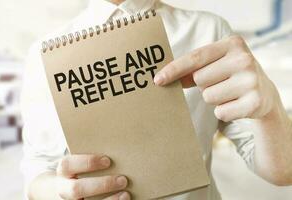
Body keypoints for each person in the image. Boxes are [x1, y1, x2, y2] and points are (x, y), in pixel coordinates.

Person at [21, 0, 292, 199]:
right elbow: (36, 167)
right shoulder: (46, 53)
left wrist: (271, 111)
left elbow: (283, 172)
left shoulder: (209, 32)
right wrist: (60, 191)